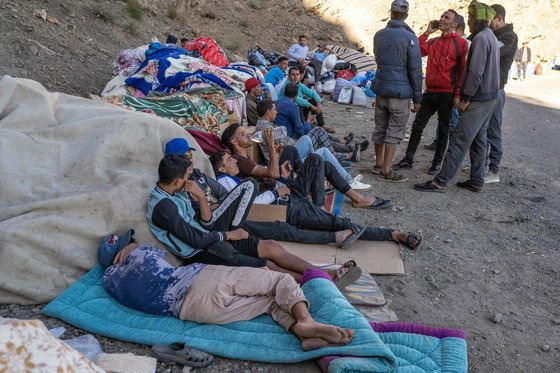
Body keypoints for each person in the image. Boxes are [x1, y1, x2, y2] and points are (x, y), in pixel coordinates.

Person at [99, 230, 354, 351]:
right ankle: (306, 320)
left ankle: (300, 331)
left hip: (192, 311)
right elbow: (165, 257)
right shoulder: (140, 254)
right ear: (122, 252)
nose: (134, 243)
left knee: (269, 302)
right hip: (199, 282)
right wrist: (135, 250)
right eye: (129, 242)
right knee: (276, 280)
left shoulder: (110, 282)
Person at [146, 154, 353, 283]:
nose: (190, 179)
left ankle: (325, 274)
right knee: (266, 265)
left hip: (211, 235)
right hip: (201, 251)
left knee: (271, 246)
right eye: (187, 176)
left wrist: (201, 198)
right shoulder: (164, 208)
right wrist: (230, 235)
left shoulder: (176, 192)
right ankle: (318, 282)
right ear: (176, 180)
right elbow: (196, 240)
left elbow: (205, 220)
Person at [165, 138, 361, 248]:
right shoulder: (192, 187)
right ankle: (329, 217)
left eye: (191, 157)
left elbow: (227, 199)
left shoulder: (200, 175)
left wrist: (277, 179)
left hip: (266, 198)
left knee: (315, 158)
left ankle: (333, 210)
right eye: (186, 158)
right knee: (316, 160)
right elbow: (214, 216)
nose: (190, 162)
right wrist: (277, 189)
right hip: (247, 214)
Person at [211, 150, 421, 247]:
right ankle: (392, 234)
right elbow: (249, 206)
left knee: (315, 159)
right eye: (230, 160)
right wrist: (276, 192)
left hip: (287, 201)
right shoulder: (225, 183)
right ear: (221, 168)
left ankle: (322, 206)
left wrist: (279, 185)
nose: (234, 161)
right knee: (339, 224)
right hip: (285, 207)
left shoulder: (233, 179)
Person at [414, 0, 500, 193]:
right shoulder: (490, 36)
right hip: (491, 97)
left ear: (475, 19)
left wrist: (466, 98)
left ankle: (440, 181)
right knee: (479, 138)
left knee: (460, 138)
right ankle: (477, 180)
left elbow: (475, 72)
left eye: (469, 17)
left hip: (479, 98)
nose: (467, 21)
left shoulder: (479, 39)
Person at [222, 123, 392, 207]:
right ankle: (318, 202)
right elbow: (272, 174)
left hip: (281, 182)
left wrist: (281, 167)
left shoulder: (244, 156)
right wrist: (271, 145)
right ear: (234, 141)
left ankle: (357, 198)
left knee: (293, 151)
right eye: (242, 134)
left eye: (246, 132)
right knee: (317, 160)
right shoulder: (240, 160)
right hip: (280, 192)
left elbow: (272, 173)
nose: (247, 135)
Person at [394, 10, 468, 175]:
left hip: (447, 95)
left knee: (443, 130)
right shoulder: (433, 42)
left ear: (454, 24)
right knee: (417, 126)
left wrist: (457, 95)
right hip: (430, 93)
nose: (441, 19)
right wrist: (427, 32)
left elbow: (462, 72)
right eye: (441, 16)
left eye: (446, 18)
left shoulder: (461, 44)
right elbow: (417, 51)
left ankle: (436, 163)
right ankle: (408, 159)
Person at [371, 0, 422, 183]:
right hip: (400, 93)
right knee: (394, 131)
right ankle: (386, 170)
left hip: (382, 88)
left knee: (380, 127)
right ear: (406, 16)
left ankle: (378, 164)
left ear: (390, 13)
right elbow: (415, 70)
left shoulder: (379, 35)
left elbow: (379, 60)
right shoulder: (410, 38)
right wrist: (418, 98)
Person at [275, 84, 362, 162]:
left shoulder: (277, 103)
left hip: (285, 139)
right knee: (318, 132)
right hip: (290, 142)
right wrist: (308, 121)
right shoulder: (292, 106)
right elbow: (300, 132)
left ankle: (347, 148)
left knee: (317, 131)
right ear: (296, 95)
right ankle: (344, 154)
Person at [485, 4, 518, 184]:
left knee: (493, 130)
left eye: (491, 21)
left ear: (499, 18)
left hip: (496, 89)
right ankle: (482, 165)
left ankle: (493, 170)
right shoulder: (493, 33)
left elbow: (491, 50)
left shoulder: (509, 37)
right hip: (485, 89)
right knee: (482, 130)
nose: (489, 25)